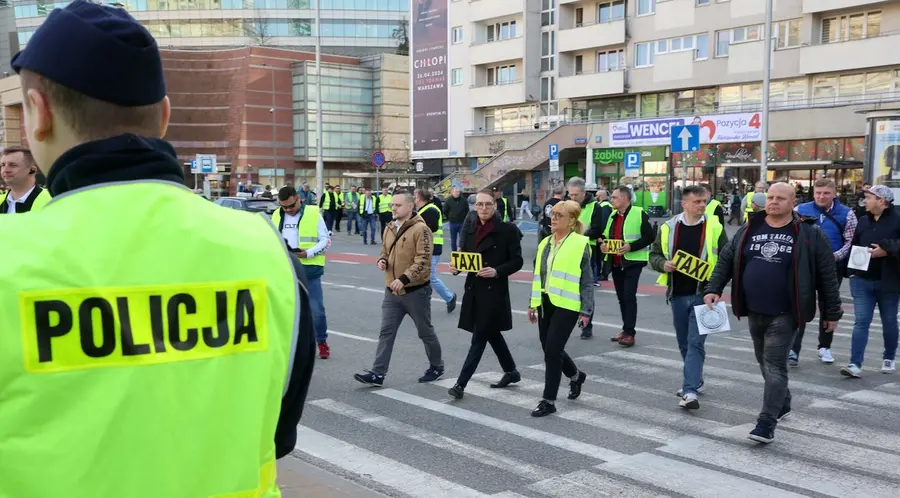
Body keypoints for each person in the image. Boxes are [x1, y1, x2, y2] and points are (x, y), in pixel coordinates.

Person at [0, 2, 315, 494]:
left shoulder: (10, 258)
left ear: (37, 114)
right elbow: (277, 432)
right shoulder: (265, 249)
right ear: (164, 116)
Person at [705, 183, 841, 444]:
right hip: (754, 309)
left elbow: (827, 277)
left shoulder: (809, 234)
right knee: (763, 362)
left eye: (780, 198)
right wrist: (713, 288)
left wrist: (831, 312)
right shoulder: (750, 228)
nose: (774, 202)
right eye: (770, 197)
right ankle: (784, 402)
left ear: (793, 203)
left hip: (787, 311)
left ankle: (766, 423)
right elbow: (726, 260)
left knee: (775, 364)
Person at [354, 190, 444, 386]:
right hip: (391, 292)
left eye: (398, 205)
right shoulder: (389, 227)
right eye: (392, 205)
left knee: (425, 332)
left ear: (410, 206)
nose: (393, 208)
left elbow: (423, 260)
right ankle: (378, 373)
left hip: (415, 292)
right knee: (386, 332)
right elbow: (385, 250)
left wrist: (404, 278)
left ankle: (436, 366)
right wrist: (382, 260)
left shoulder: (422, 229)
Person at [649, 185, 728, 410]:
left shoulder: (714, 226)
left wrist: (717, 287)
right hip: (677, 294)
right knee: (684, 342)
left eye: (704, 201)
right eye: (697, 202)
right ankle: (695, 378)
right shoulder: (668, 227)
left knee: (695, 342)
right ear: (684, 204)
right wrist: (663, 264)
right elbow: (653, 255)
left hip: (704, 295)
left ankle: (690, 390)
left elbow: (726, 257)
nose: (702, 205)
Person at [447, 189, 524, 399]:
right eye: (479, 204)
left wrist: (497, 271)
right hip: (474, 289)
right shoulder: (471, 228)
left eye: (487, 204)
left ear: (495, 205)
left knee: (479, 337)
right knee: (491, 333)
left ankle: (460, 384)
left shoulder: (507, 230)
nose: (483, 208)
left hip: (494, 291)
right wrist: (457, 267)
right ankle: (511, 371)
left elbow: (517, 261)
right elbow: (467, 258)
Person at [527, 200, 591, 417]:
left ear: (571, 221)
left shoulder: (580, 243)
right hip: (546, 302)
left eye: (558, 215)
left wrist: (586, 310)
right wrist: (532, 303)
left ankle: (549, 400)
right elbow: (539, 275)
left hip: (568, 304)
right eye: (552, 214)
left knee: (552, 351)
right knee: (549, 348)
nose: (552, 218)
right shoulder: (545, 242)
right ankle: (575, 376)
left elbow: (587, 281)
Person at [792, 178, 857, 366]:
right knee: (800, 304)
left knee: (828, 306)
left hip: (831, 266)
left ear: (834, 194)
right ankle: (793, 349)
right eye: (818, 192)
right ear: (813, 193)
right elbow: (792, 235)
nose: (821, 196)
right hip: (804, 266)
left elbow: (849, 241)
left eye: (826, 193)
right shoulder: (800, 210)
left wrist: (834, 257)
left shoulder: (847, 214)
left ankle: (825, 347)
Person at [841, 185, 900, 377]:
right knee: (861, 322)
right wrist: (850, 271)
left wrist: (886, 249)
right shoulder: (863, 220)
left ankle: (889, 358)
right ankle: (854, 364)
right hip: (861, 279)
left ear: (882, 201)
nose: (865, 201)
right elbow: (855, 244)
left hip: (889, 281)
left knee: (889, 322)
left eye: (869, 197)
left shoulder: (897, 220)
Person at [274, 186, 331, 359]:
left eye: (291, 206)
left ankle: (321, 342)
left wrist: (308, 252)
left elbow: (326, 240)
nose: (288, 210)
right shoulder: (277, 214)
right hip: (285, 268)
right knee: (286, 310)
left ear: (298, 198)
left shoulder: (314, 214)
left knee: (316, 309)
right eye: (284, 207)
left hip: (309, 268)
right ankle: (289, 346)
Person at [600, 185, 655, 347]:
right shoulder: (613, 215)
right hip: (616, 263)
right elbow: (605, 235)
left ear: (625, 198)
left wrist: (631, 246)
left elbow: (650, 237)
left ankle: (630, 333)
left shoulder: (639, 213)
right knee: (622, 298)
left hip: (633, 262)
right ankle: (625, 329)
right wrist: (603, 243)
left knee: (629, 297)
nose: (612, 200)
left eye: (615, 197)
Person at [566, 177, 605, 339]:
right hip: (568, 251)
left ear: (584, 193)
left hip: (588, 252)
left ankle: (587, 326)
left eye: (576, 195)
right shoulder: (566, 205)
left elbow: (597, 229)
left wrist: (577, 236)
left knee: (586, 290)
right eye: (570, 194)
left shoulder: (595, 207)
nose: (572, 198)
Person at [416, 188, 457, 313]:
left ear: (420, 198)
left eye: (416, 197)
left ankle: (449, 297)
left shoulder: (431, 210)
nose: (415, 199)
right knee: (421, 276)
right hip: (427, 247)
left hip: (432, 247)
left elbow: (431, 228)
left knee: (430, 277)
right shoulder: (425, 209)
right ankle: (418, 303)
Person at [1, 145, 51, 214]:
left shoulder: (52, 200)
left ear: (32, 170)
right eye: (3, 165)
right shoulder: (1, 200)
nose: (5, 170)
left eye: (13, 165)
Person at [594, 189, 613, 282]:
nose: (595, 197)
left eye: (596, 195)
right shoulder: (608, 205)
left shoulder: (603, 206)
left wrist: (600, 236)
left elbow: (603, 222)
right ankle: (604, 273)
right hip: (608, 234)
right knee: (606, 255)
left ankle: (603, 274)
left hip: (605, 235)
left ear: (600, 196)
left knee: (605, 255)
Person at [443, 186, 469, 252]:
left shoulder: (463, 200)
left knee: (462, 239)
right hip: (453, 223)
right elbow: (445, 211)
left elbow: (467, 210)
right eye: (455, 192)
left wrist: (465, 218)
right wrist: (450, 217)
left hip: (462, 223)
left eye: (458, 192)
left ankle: (462, 252)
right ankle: (454, 253)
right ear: (452, 192)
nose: (457, 193)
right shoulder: (448, 200)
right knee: (453, 240)